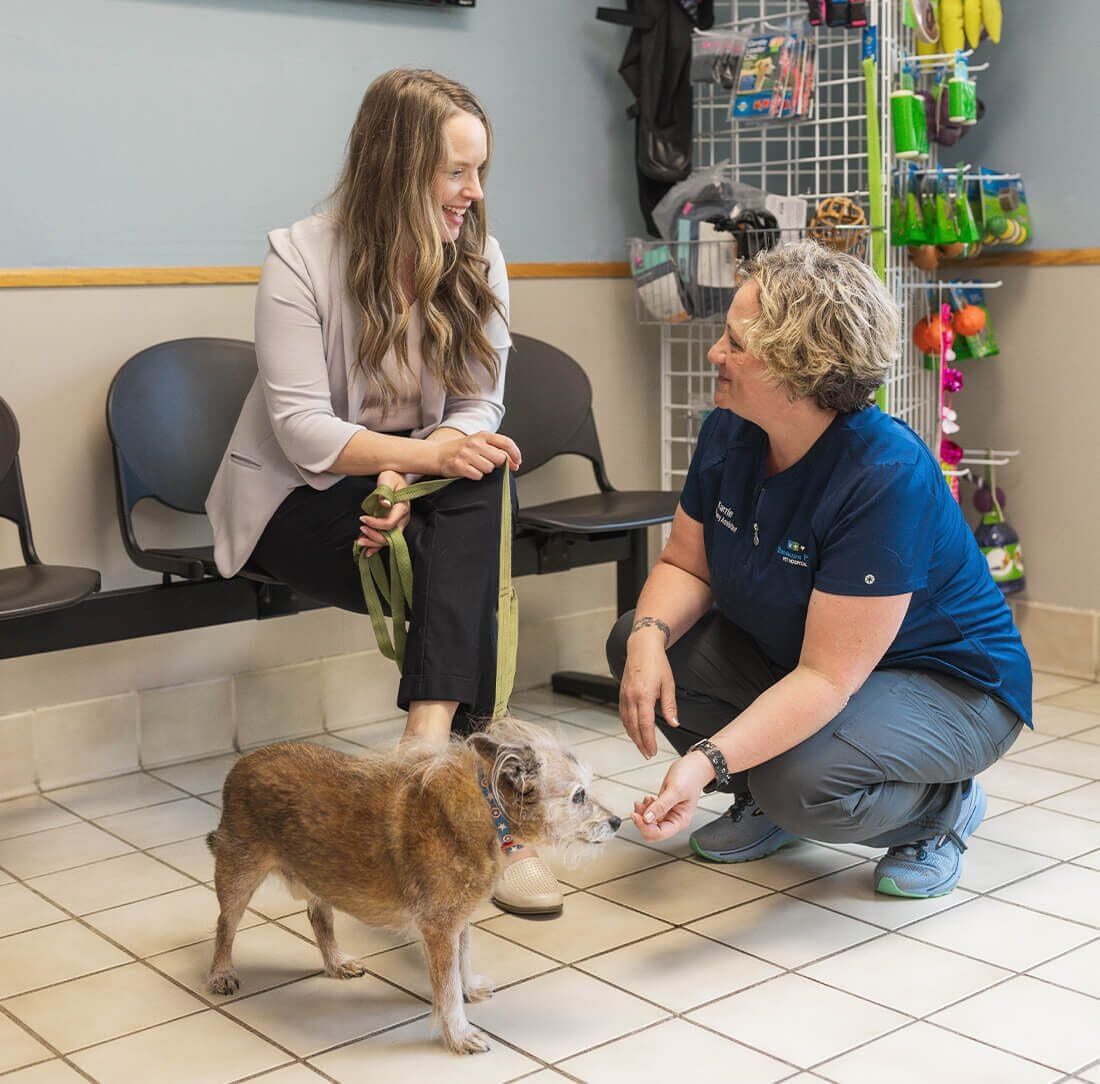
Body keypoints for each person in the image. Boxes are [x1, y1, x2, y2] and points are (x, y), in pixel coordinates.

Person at [206, 68, 564, 916]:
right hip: (294, 504)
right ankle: (483, 820)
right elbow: (301, 429)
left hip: (415, 489)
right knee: (466, 525)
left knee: (481, 481)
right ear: (393, 165)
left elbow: (479, 403)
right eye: (454, 172)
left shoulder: (478, 255)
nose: (473, 194)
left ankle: (426, 744)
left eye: (480, 173)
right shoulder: (298, 257)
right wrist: (411, 467)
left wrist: (422, 470)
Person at [606, 241, 1031, 898]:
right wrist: (645, 639)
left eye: (735, 343)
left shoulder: (883, 475)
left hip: (952, 687)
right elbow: (686, 564)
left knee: (796, 783)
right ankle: (766, 803)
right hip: (823, 667)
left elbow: (829, 678)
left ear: (797, 369)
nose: (715, 353)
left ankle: (940, 810)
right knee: (641, 637)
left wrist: (704, 763)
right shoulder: (730, 429)